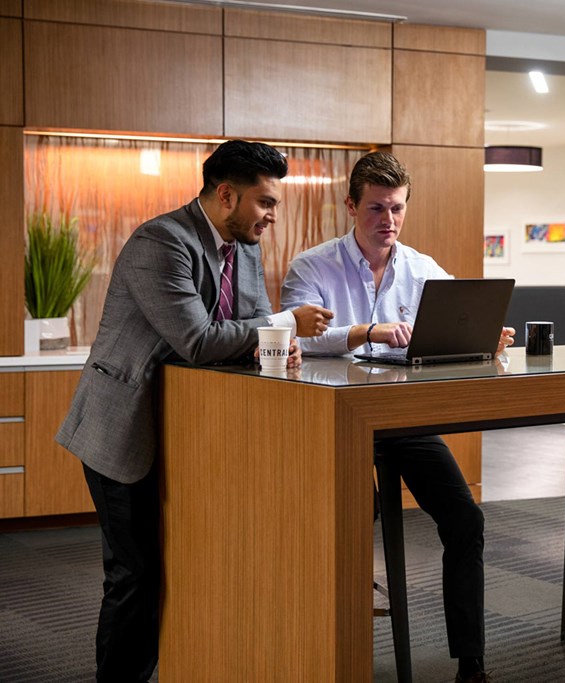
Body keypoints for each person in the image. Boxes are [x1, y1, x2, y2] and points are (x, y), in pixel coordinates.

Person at [56, 140, 334, 682]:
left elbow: (251, 326)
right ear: (226, 195)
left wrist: (279, 339)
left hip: (194, 432)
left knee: (188, 566)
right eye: (266, 203)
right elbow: (198, 339)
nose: (273, 216)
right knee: (133, 575)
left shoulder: (244, 246)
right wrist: (283, 326)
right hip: (123, 429)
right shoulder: (161, 241)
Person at [281, 151, 511, 683]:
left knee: (465, 521)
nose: (388, 221)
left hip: (402, 416)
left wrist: (483, 338)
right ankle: (326, 652)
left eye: (398, 209)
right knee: (353, 526)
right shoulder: (311, 266)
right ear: (351, 207)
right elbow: (296, 335)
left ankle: (470, 664)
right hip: (333, 418)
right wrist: (368, 330)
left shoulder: (422, 269)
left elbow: (454, 325)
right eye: (377, 209)